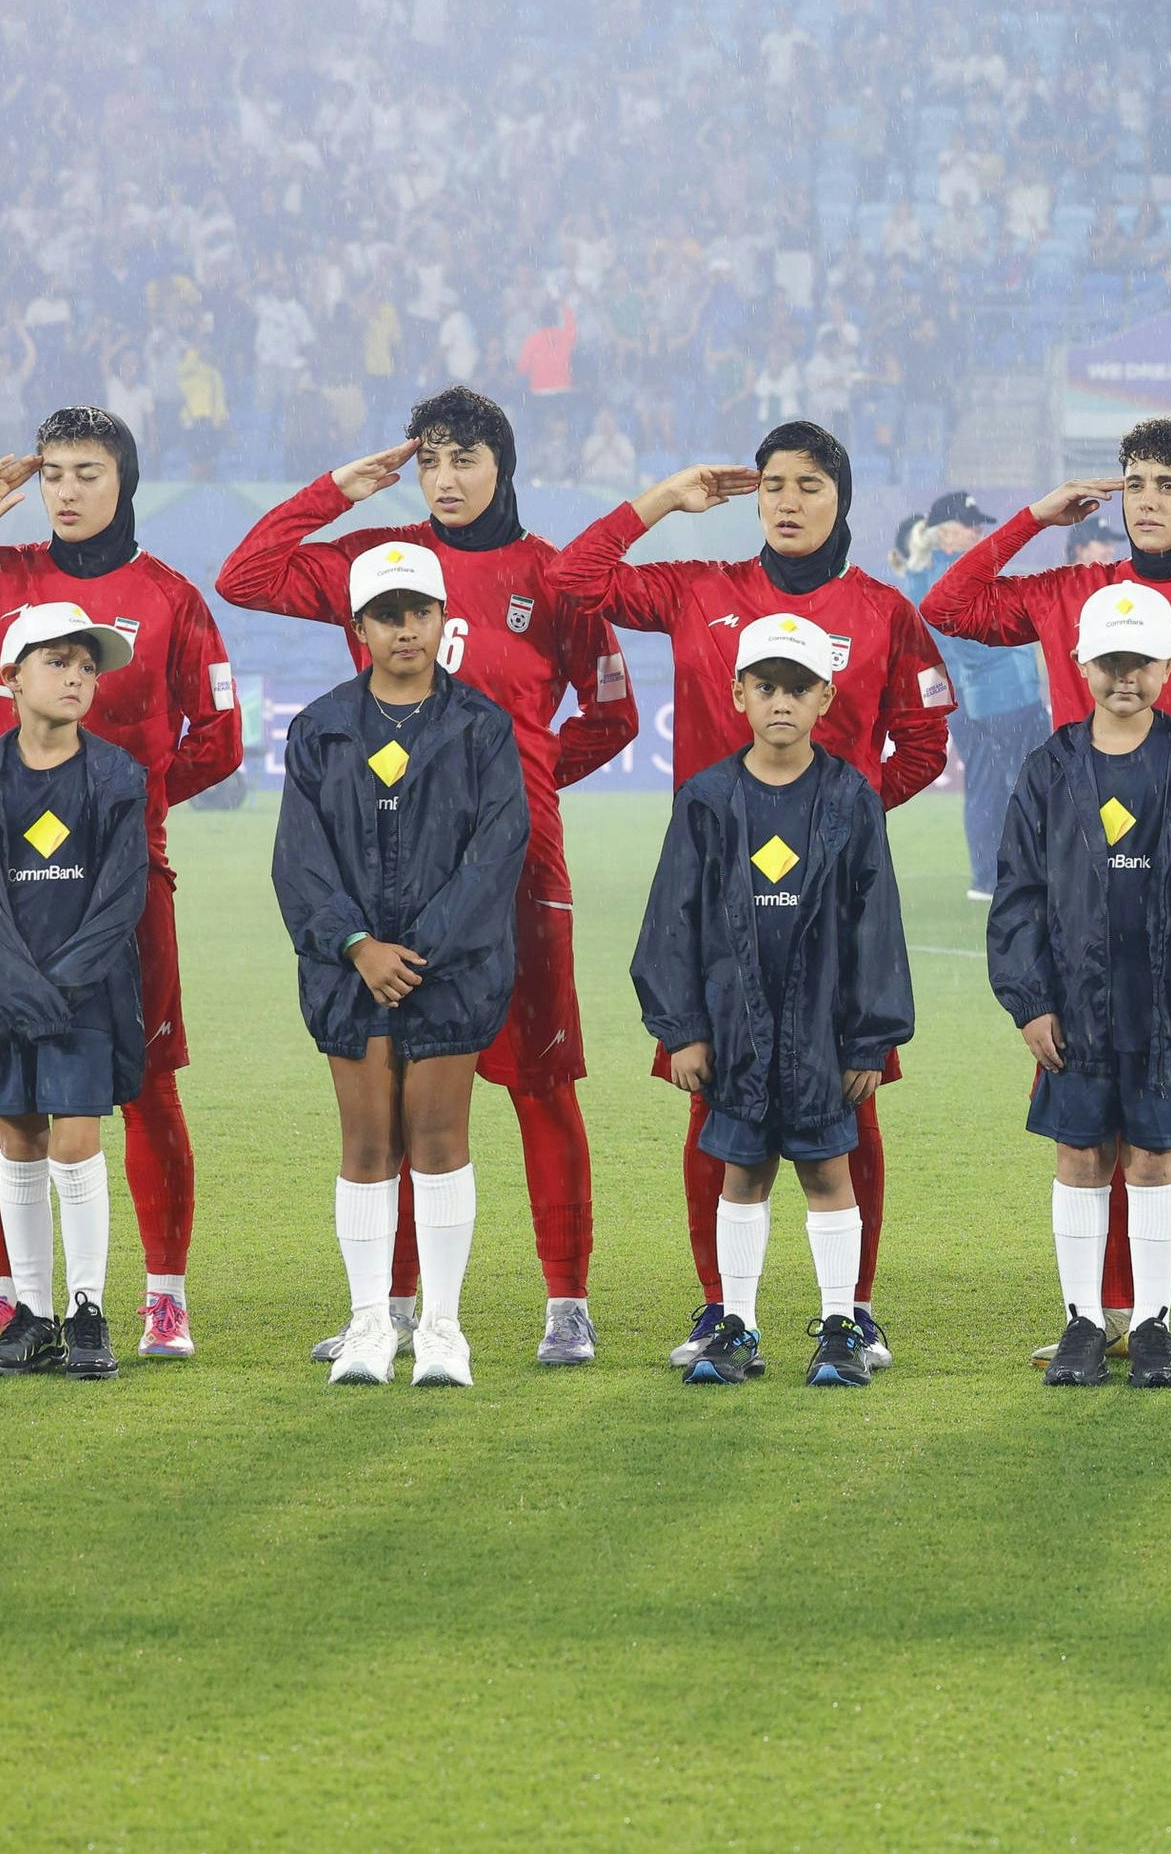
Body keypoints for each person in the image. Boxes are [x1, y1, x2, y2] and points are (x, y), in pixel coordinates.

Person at [219, 389, 639, 1368]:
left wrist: (516, 788)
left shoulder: (552, 578)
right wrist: (336, 491)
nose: (445, 481)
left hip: (520, 874)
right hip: (386, 879)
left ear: (506, 464)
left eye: (466, 460)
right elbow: (246, 576)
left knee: (540, 1086)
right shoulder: (379, 564)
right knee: (398, 1094)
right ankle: (395, 1308)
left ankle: (565, 1304)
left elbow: (612, 715)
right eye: (430, 463)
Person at [918, 421, 1171, 1375]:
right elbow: (952, 602)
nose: (1147, 499)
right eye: (1136, 482)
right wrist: (1034, 516)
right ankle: (1104, 1314)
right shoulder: (1079, 591)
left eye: (1170, 484)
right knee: (1093, 1117)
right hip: (1085, 912)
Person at [552, 421, 953, 1372]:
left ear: (842, 498)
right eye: (773, 483)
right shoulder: (703, 589)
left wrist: (837, 829)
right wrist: (663, 498)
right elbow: (571, 580)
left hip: (827, 909)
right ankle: (719, 1309)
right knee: (712, 1102)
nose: (786, 499)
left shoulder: (886, 612)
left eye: (809, 484)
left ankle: (851, 1308)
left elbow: (926, 744)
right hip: (716, 894)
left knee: (850, 1107)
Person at [0, 409, 239, 1363]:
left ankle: (162, 1297)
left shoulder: (170, 598)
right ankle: (4, 1298)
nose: (66, 490)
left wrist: (134, 812)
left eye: (88, 473)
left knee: (142, 1078)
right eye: (53, 473)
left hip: (121, 879)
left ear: (126, 482)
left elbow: (220, 740)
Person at [985, 585, 1171, 1389]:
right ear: (1080, 665)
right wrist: (1030, 1000)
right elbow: (1018, 897)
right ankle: (1083, 1321)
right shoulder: (1050, 770)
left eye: (1139, 662)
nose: (1124, 677)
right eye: (1109, 661)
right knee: (1080, 1157)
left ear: (1168, 666)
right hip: (1073, 1011)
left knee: (1154, 1160)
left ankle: (1152, 1325)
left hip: (1169, 1012)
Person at [632, 612, 917, 1391]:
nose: (782, 702)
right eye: (767, 687)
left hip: (825, 1034)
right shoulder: (708, 798)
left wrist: (870, 1041)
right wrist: (683, 1031)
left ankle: (839, 1328)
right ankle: (738, 1325)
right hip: (733, 1032)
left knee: (830, 1174)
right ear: (738, 695)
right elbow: (671, 921)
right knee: (742, 1174)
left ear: (827, 697)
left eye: (799, 687)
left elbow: (876, 926)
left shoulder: (849, 797)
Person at [274, 544, 529, 1389]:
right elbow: (300, 861)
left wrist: (416, 952)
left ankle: (444, 1331)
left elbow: (498, 852)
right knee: (367, 1141)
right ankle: (369, 1325)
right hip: (350, 973)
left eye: (420, 612)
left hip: (448, 971)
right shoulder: (319, 728)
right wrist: (357, 945)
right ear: (359, 629)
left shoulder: (482, 726)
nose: (406, 630)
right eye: (388, 616)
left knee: (439, 1137)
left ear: (444, 617)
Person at [0, 604, 151, 1381]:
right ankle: (33, 1315)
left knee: (77, 1141)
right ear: (12, 678)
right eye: (58, 662)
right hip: (4, 998)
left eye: (87, 666)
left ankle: (87, 1314)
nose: (78, 676)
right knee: (18, 1140)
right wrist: (21, 991)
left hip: (83, 997)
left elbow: (120, 899)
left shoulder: (116, 776)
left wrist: (61, 987)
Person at [896, 493, 1045, 905]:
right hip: (1005, 698)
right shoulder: (952, 577)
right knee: (1028, 787)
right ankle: (1030, 876)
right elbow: (978, 644)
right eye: (969, 524)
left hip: (975, 699)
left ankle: (988, 877)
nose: (978, 531)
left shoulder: (928, 572)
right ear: (944, 534)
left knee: (988, 789)